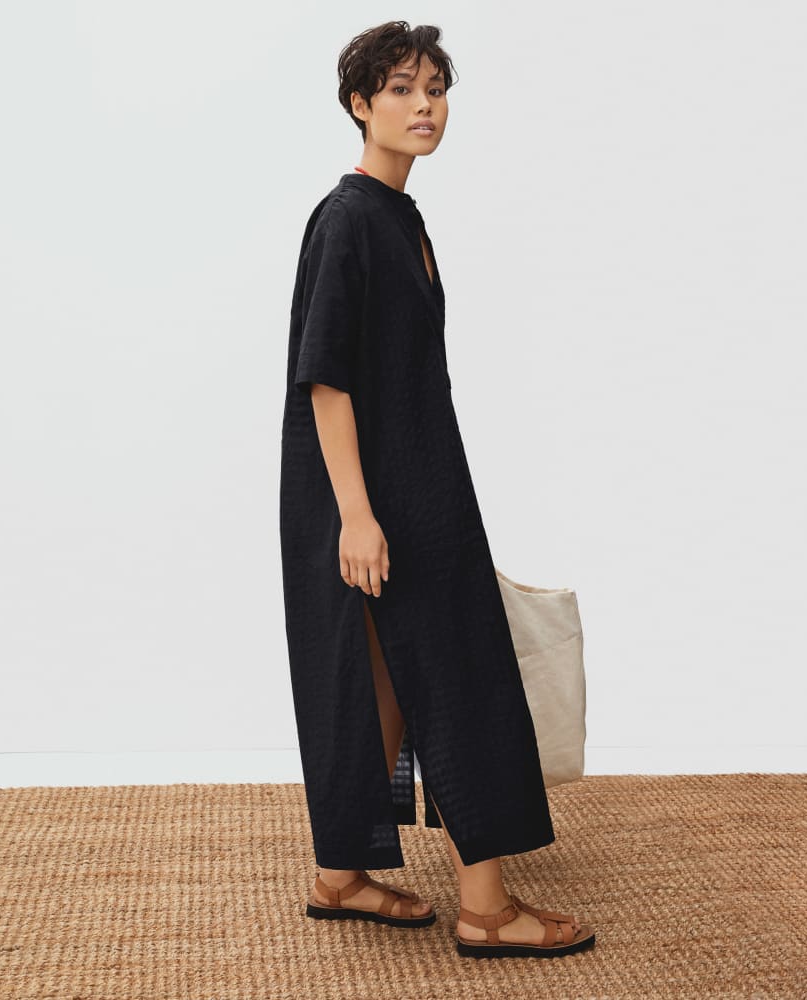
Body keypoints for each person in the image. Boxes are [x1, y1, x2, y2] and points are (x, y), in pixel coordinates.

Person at [279, 21, 595, 958]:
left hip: (419, 487)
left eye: (436, 90)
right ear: (359, 105)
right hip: (379, 499)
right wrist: (357, 514)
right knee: (462, 677)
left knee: (387, 681)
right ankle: (485, 909)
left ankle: (341, 874)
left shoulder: (401, 217)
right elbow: (325, 379)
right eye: (402, 89)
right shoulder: (347, 220)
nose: (424, 106)